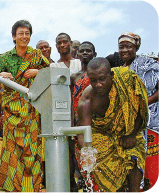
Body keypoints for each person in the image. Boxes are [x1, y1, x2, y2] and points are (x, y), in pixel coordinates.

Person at [0, 20, 50, 192]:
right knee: (11, 149)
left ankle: (31, 185)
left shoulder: (37, 55)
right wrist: (1, 74)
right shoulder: (5, 58)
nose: (24, 37)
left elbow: (52, 74)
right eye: (21, 33)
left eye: (27, 33)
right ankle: (11, 185)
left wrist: (38, 72)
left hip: (32, 108)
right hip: (11, 109)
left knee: (31, 147)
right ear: (13, 36)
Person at [77, 57, 148, 192]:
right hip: (102, 134)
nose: (98, 84)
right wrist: (87, 153)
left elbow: (140, 109)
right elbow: (83, 132)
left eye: (102, 79)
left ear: (111, 75)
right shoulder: (86, 100)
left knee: (133, 155)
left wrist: (131, 134)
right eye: (93, 80)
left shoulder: (126, 81)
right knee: (100, 163)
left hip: (129, 129)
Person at [118, 32, 159, 190]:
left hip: (150, 123)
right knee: (134, 164)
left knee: (151, 163)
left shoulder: (148, 63)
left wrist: (141, 105)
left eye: (129, 46)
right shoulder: (120, 70)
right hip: (130, 126)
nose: (124, 50)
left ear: (136, 47)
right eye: (121, 47)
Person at [69, 41, 97, 191]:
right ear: (77, 54)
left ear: (95, 54)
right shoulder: (74, 77)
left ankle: (93, 184)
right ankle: (85, 182)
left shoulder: (98, 75)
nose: (85, 53)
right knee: (80, 153)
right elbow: (70, 100)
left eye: (89, 51)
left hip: (95, 120)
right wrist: (72, 122)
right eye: (82, 51)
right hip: (79, 122)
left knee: (95, 152)